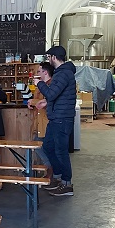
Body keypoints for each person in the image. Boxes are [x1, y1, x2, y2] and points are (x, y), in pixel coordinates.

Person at [36, 46, 77, 196]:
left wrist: (39, 83)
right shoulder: (62, 73)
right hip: (56, 118)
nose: (48, 60)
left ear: (54, 57)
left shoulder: (63, 73)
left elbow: (52, 94)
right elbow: (58, 95)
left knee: (61, 151)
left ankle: (67, 184)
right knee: (48, 147)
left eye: (49, 57)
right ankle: (59, 177)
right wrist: (47, 102)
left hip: (62, 119)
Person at [28, 61, 55, 177]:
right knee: (39, 144)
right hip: (40, 122)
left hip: (47, 122)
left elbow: (47, 101)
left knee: (43, 146)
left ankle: (51, 169)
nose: (37, 73)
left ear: (45, 72)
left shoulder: (51, 85)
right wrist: (32, 103)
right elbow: (39, 101)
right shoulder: (41, 85)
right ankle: (50, 169)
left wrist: (33, 102)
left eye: (39, 71)